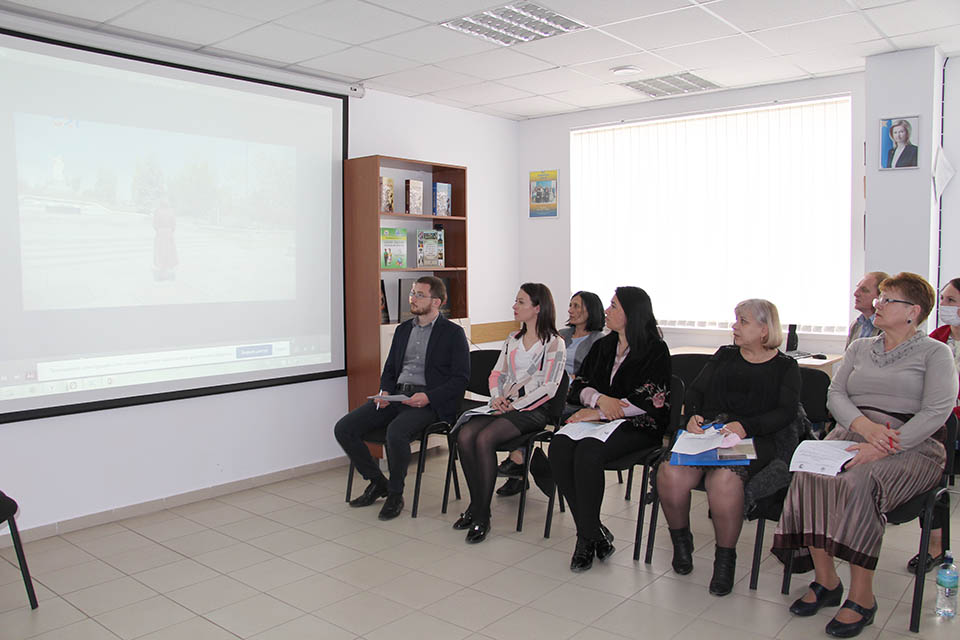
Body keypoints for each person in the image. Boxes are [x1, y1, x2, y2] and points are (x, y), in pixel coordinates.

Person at [773, 273, 958, 638]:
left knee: (858, 481)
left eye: (887, 299)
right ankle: (827, 581)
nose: (878, 305)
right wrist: (865, 428)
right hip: (855, 432)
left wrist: (883, 444)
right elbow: (835, 395)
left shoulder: (935, 353)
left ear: (913, 311)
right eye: (879, 298)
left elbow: (937, 412)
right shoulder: (860, 348)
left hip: (913, 444)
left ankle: (862, 598)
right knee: (808, 472)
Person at [657, 299, 800, 596]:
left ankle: (725, 559)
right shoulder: (725, 355)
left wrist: (747, 426)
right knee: (669, 472)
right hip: (711, 432)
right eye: (736, 320)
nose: (735, 326)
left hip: (754, 438)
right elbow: (695, 391)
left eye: (742, 321)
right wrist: (692, 416)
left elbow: (785, 413)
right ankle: (681, 542)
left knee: (722, 480)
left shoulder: (785, 367)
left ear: (764, 329)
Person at [549, 287, 671, 571]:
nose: (606, 311)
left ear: (632, 313)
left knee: (588, 452)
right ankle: (594, 531)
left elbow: (651, 397)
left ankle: (585, 539)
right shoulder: (604, 346)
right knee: (560, 445)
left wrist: (600, 411)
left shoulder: (655, 349)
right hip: (600, 420)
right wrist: (599, 400)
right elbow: (579, 385)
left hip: (639, 425)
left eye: (614, 306)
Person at [334, 277, 469, 520]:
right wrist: (385, 391)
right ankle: (378, 483)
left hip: (429, 402)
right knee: (344, 428)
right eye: (412, 293)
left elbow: (460, 379)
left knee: (396, 433)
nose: (412, 299)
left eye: (419, 294)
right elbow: (390, 369)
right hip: (397, 395)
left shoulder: (453, 333)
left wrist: (427, 397)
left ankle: (395, 494)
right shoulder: (403, 329)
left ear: (436, 302)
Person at [452, 283, 565, 543]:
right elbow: (496, 374)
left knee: (484, 439)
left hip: (534, 411)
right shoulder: (512, 339)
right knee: (465, 435)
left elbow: (550, 387)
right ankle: (476, 505)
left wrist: (517, 405)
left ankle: (482, 515)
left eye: (521, 302)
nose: (514, 306)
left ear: (538, 308)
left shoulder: (554, 343)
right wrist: (497, 397)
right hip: (505, 405)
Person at [496, 290, 604, 496]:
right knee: (523, 405)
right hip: (547, 389)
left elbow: (594, 375)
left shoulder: (599, 340)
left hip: (575, 397)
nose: (570, 310)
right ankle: (519, 464)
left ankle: (518, 461)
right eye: (570, 305)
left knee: (531, 411)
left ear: (591, 310)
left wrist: (569, 382)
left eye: (577, 306)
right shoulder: (561, 334)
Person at [906, 277, 960, 573]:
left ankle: (936, 544)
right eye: (943, 299)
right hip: (938, 415)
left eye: (951, 300)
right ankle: (934, 542)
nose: (944, 306)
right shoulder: (938, 337)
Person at [846, 271, 890, 348]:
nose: (856, 293)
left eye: (864, 290)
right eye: (857, 288)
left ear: (880, 297)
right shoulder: (855, 325)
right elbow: (848, 354)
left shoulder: (888, 327)